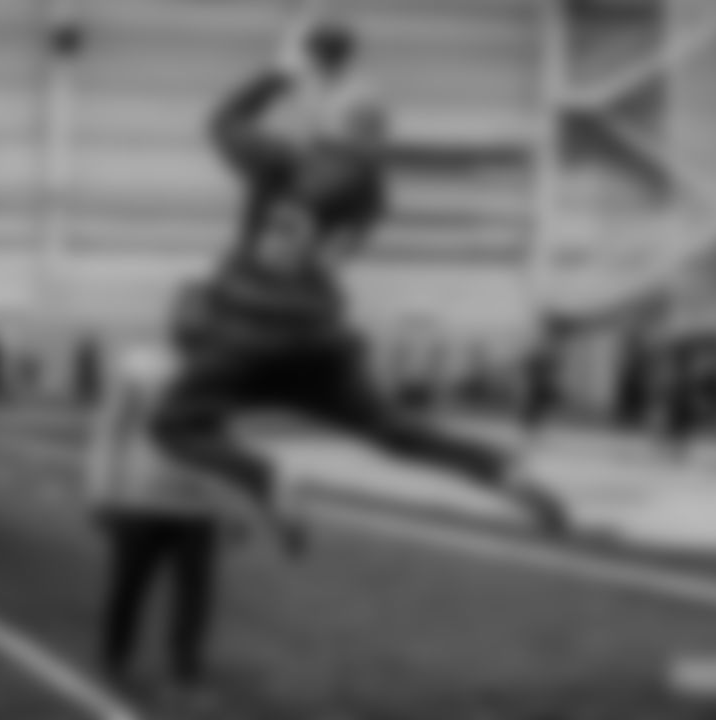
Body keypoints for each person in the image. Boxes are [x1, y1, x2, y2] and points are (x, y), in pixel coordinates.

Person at [147, 14, 571, 539]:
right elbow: (337, 236)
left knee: (174, 425)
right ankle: (501, 471)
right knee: (390, 428)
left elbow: (223, 122)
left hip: (246, 330)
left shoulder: (284, 160)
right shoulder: (372, 190)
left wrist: (284, 71)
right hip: (319, 334)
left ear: (329, 121)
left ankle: (263, 478)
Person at [87, 343, 282, 697]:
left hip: (196, 505)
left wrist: (234, 506)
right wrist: (101, 492)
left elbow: (226, 444)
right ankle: (115, 658)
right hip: (140, 500)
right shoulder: (137, 367)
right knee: (129, 587)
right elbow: (110, 429)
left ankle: (185, 669)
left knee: (194, 596)